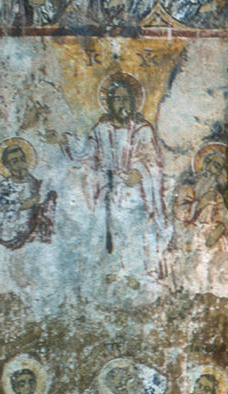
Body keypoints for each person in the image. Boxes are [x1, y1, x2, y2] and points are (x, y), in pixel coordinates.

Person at [62, 74, 171, 283]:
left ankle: (135, 274)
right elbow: (86, 154)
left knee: (134, 229)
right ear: (109, 103)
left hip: (134, 192)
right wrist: (63, 141)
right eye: (118, 99)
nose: (123, 103)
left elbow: (152, 161)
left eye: (126, 98)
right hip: (108, 190)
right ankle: (111, 271)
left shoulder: (142, 130)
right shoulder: (101, 129)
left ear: (134, 102)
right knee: (105, 228)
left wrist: (139, 171)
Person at [0, 140, 56, 249]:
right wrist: (22, 206)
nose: (20, 164)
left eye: (22, 159)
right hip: (10, 235)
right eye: (14, 161)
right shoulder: (4, 187)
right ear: (7, 166)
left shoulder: (34, 183)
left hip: (32, 235)